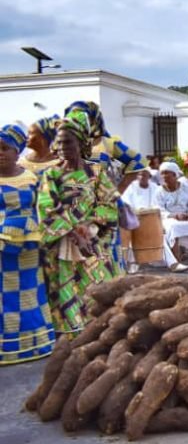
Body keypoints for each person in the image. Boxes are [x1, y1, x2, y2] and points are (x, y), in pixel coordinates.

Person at [37, 109, 124, 334]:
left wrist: (90, 228)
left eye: (69, 143)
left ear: (81, 143)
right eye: (60, 143)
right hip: (64, 244)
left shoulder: (95, 173)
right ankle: (73, 334)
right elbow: (47, 209)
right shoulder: (52, 175)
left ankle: (101, 330)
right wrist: (74, 232)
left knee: (98, 287)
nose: (64, 148)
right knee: (68, 290)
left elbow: (108, 204)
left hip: (94, 241)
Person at [0, 124, 55, 364]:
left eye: (5, 148)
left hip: (29, 252)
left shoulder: (32, 177)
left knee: (30, 295)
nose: (0, 153)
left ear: (17, 151)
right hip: (1, 253)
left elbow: (44, 209)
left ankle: (35, 344)